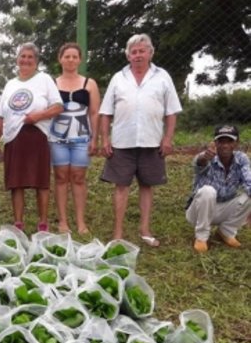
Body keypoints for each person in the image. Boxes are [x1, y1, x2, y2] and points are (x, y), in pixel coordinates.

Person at [99, 33, 182, 246]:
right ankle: (118, 233)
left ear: (150, 53)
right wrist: (105, 138)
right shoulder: (118, 78)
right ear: (128, 56)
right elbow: (106, 112)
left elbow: (171, 112)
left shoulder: (163, 77)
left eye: (141, 51)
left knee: (147, 186)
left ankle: (144, 230)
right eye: (133, 52)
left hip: (152, 141)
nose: (137, 55)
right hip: (121, 142)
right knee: (121, 186)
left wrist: (168, 138)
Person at [0, 43, 64, 232]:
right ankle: (18, 224)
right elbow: (0, 116)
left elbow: (58, 107)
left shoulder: (45, 79)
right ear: (17, 59)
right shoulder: (10, 84)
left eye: (30, 57)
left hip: (36, 135)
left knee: (41, 182)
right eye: (23, 56)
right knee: (16, 183)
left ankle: (43, 224)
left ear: (36, 61)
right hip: (14, 137)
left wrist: (38, 116)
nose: (26, 60)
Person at [49, 42, 101, 234]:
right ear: (60, 59)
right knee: (61, 177)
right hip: (57, 139)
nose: (70, 60)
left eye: (74, 56)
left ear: (80, 59)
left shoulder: (90, 84)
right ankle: (62, 221)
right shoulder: (52, 83)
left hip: (81, 139)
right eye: (66, 56)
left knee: (79, 178)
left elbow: (95, 112)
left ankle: (80, 222)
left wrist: (94, 139)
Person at [186, 125, 251, 253]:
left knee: (249, 195)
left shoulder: (241, 158)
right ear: (215, 143)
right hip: (199, 211)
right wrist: (205, 158)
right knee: (208, 191)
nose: (225, 145)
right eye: (221, 141)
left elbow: (249, 180)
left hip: (224, 207)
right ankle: (201, 237)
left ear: (236, 143)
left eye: (230, 141)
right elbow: (198, 164)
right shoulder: (206, 156)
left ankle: (226, 231)